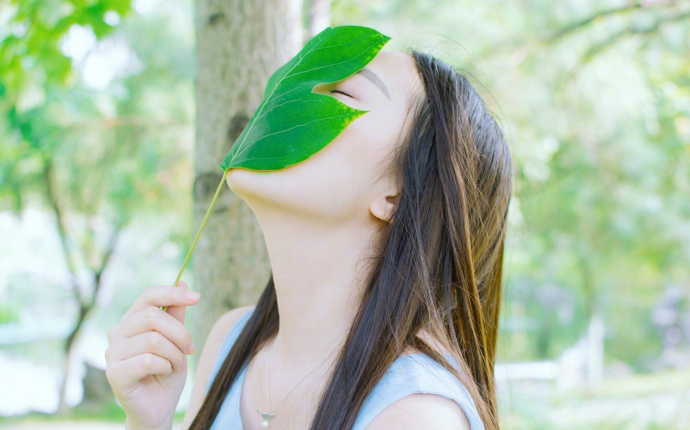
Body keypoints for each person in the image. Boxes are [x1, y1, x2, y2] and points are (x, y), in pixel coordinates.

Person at [105, 46, 512, 430]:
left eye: (339, 93)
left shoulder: (416, 416)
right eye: (294, 82)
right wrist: (149, 422)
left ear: (398, 194)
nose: (283, 101)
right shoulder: (229, 343)